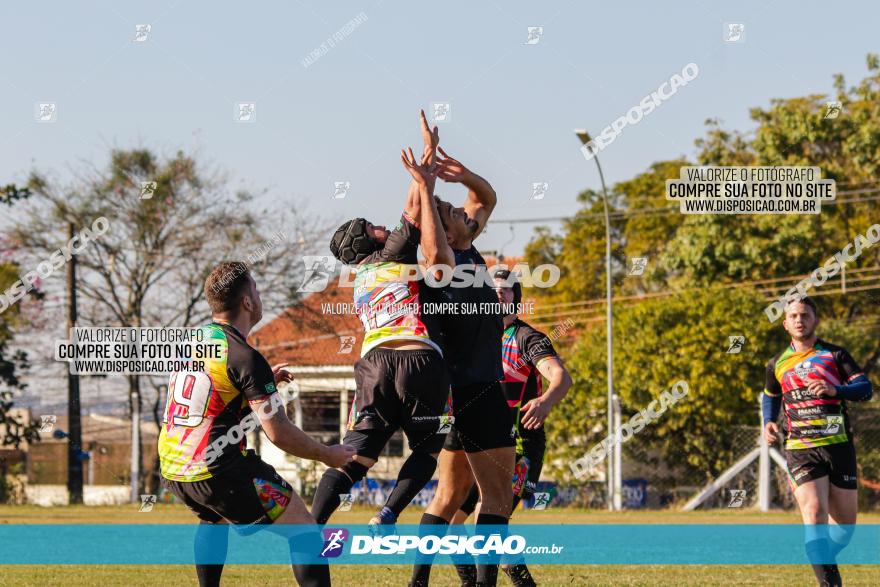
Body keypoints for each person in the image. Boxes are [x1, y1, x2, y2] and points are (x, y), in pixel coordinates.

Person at [158, 261, 357, 587]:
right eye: (256, 288)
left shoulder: (193, 342)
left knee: (213, 517)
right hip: (219, 470)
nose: (260, 295)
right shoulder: (245, 357)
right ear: (247, 302)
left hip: (174, 470)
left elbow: (211, 410)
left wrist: (257, 389)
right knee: (306, 533)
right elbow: (278, 434)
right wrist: (327, 455)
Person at [311, 111, 452, 528]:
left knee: (358, 455)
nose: (381, 226)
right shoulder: (393, 253)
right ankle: (388, 512)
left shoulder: (358, 281)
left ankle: (310, 527)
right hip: (419, 359)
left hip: (372, 365)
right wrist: (427, 152)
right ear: (366, 238)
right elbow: (415, 199)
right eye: (373, 226)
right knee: (427, 450)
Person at [408, 146, 514, 587]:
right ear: (445, 234)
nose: (461, 210)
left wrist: (461, 174)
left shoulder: (467, 246)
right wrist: (423, 188)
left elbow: (486, 199)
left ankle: (418, 582)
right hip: (479, 389)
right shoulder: (443, 267)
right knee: (497, 497)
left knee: (448, 496)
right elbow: (431, 247)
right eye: (451, 212)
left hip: (461, 395)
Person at [450, 269, 572, 587]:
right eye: (492, 288)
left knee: (486, 519)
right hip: (479, 443)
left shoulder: (527, 338)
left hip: (521, 446)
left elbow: (561, 377)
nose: (498, 293)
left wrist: (545, 401)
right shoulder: (474, 338)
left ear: (515, 298)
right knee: (451, 524)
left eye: (505, 290)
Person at [762, 296, 873, 587]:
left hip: (838, 445)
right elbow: (770, 396)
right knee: (814, 513)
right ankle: (829, 582)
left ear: (815, 320)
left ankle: (820, 555)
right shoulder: (776, 363)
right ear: (786, 324)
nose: (800, 320)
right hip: (800, 448)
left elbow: (865, 389)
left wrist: (835, 390)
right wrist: (768, 422)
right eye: (794, 316)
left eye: (805, 315)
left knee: (845, 529)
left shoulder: (835, 356)